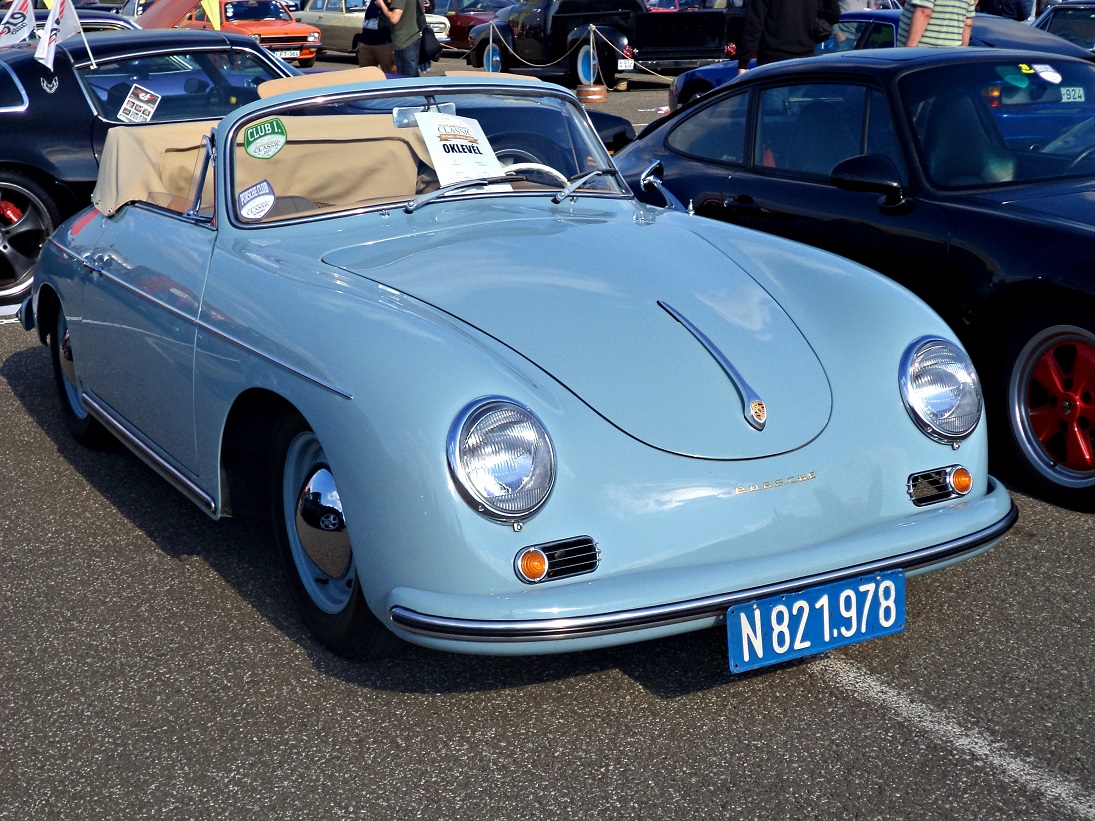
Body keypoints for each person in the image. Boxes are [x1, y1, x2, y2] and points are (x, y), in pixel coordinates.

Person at [737, 0, 841, 73]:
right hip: (806, 57)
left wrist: (743, 63)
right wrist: (812, 27)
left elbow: (754, 24)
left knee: (772, 103)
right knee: (797, 102)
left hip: (773, 60)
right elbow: (834, 13)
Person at [374, 0, 424, 77]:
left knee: (406, 77)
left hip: (405, 40)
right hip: (412, 37)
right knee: (411, 77)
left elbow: (394, 19)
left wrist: (381, 4)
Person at [897, 0, 977, 47]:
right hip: (950, 59)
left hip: (922, 57)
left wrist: (908, 52)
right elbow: (968, 24)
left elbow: (923, 12)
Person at [356, 0, 395, 73]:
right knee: (366, 74)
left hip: (385, 42)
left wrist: (381, 3)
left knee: (390, 74)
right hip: (366, 42)